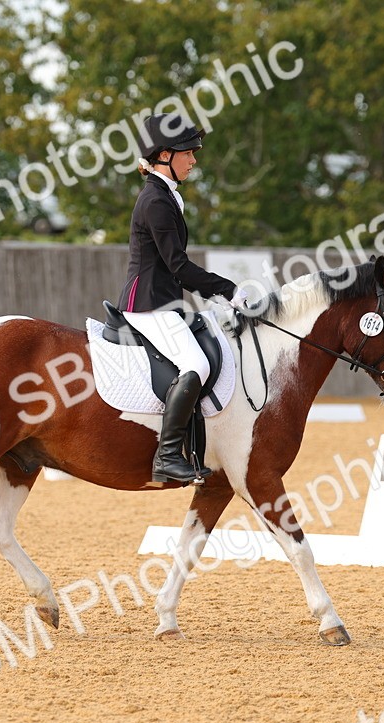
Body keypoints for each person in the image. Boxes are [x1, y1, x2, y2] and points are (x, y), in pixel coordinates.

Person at [118, 113, 249, 484]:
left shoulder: (164, 195)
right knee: (196, 365)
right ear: (163, 155)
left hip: (163, 301)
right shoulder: (155, 201)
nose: (193, 159)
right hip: (147, 303)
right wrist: (227, 289)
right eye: (187, 152)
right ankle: (167, 455)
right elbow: (177, 265)